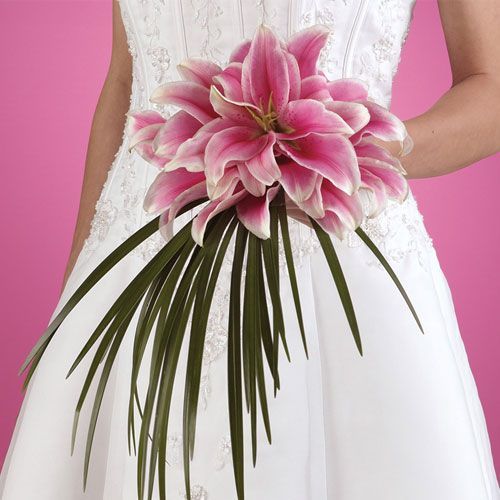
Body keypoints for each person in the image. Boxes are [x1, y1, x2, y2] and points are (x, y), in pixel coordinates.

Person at [1, 0, 500, 498]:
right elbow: (124, 81)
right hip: (141, 272)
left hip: (339, 261)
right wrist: (74, 298)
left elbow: (490, 84)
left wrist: (369, 150)